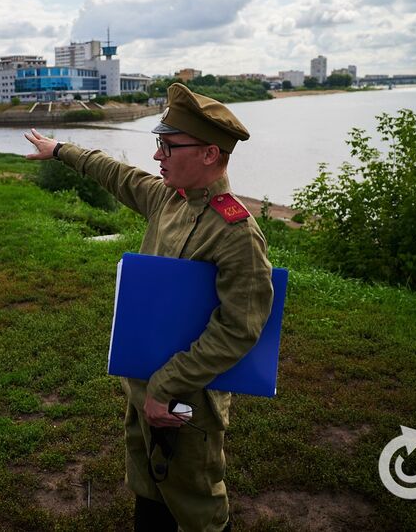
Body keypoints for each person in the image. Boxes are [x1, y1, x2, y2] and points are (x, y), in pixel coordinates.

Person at [24, 83, 274, 532]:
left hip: (187, 397)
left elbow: (240, 328)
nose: (158, 156)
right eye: (158, 144)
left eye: (168, 145)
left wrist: (166, 387)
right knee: (148, 489)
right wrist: (59, 149)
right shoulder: (167, 199)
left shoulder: (236, 232)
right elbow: (114, 172)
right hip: (143, 388)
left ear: (210, 155)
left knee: (198, 505)